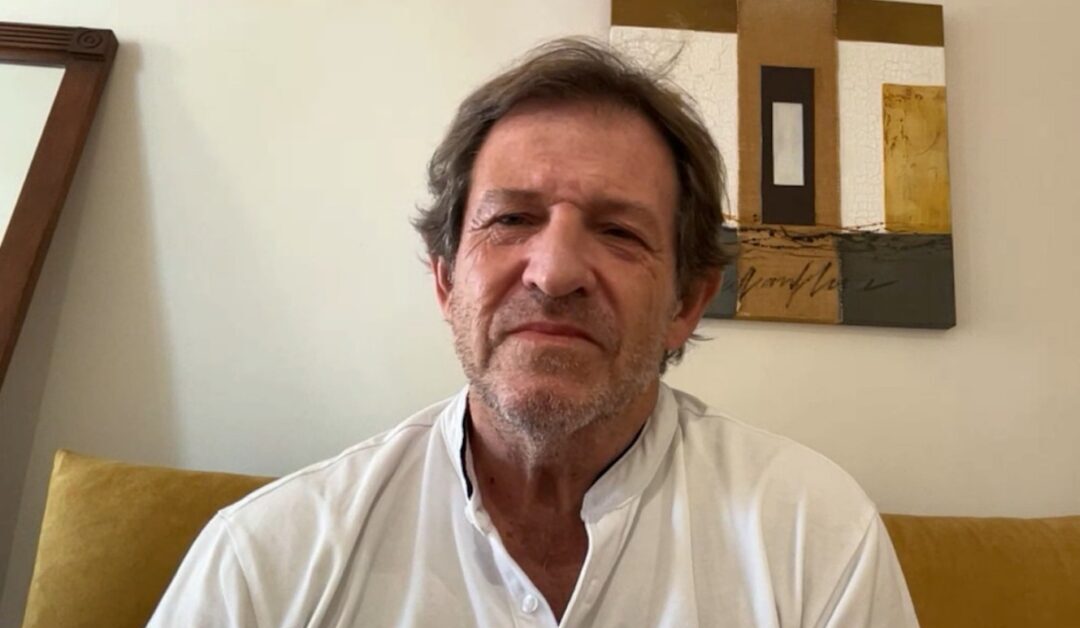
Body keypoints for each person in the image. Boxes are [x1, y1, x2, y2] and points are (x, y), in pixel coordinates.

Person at [149, 38, 918, 627]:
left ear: (686, 303)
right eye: (512, 219)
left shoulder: (814, 537)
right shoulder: (264, 561)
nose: (554, 273)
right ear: (446, 281)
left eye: (618, 231)